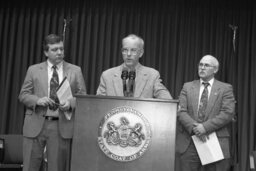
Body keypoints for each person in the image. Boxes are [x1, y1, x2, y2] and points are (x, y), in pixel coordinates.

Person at [19, 34, 86, 171]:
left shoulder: (75, 70)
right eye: (55, 50)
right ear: (46, 52)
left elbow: (83, 97)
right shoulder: (33, 70)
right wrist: (37, 100)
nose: (60, 52)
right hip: (35, 124)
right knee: (30, 167)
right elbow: (23, 95)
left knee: (57, 168)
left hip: (60, 126)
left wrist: (71, 103)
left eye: (61, 49)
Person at [176, 55, 235, 171]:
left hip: (215, 141)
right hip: (190, 142)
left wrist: (205, 127)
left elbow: (227, 113)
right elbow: (181, 111)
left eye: (206, 65)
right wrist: (196, 129)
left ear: (215, 70)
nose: (202, 68)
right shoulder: (187, 87)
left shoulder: (225, 88)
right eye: (200, 65)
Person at [97, 34, 172, 99]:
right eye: (125, 50)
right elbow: (98, 103)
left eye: (133, 50)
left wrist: (173, 104)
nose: (128, 54)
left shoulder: (152, 75)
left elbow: (165, 97)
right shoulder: (107, 75)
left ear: (141, 53)